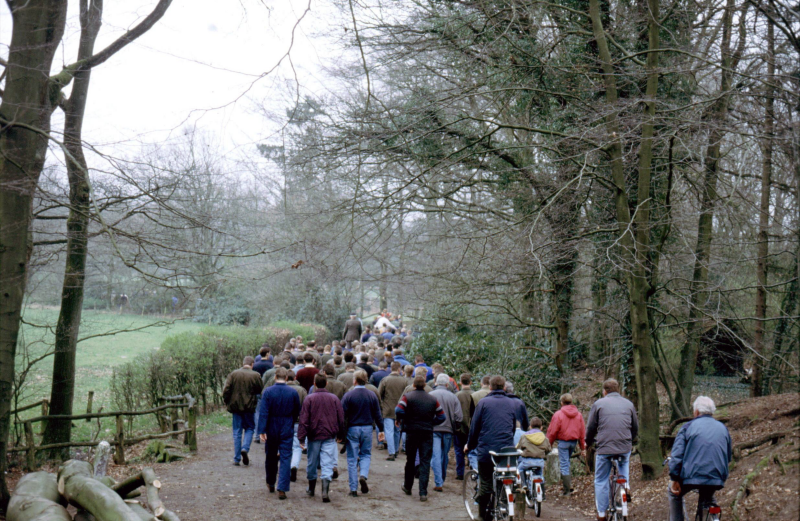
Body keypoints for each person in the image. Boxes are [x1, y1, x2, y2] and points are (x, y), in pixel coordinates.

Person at [465, 375, 529, 521]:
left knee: (486, 483)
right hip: (506, 450)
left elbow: (475, 428)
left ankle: (482, 516)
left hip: (487, 450)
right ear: (504, 387)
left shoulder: (483, 403)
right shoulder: (512, 403)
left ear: (490, 387)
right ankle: (504, 503)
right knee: (505, 476)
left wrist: (470, 445)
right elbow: (513, 427)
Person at [668, 396, 732, 521]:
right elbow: (728, 456)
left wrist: (674, 478)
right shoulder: (723, 428)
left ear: (696, 411)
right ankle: (713, 516)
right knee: (708, 496)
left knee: (673, 493)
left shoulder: (687, 427)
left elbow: (677, 456)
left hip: (693, 475)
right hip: (717, 476)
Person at [585, 378, 639, 521]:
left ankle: (602, 513)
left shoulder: (598, 404)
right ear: (618, 390)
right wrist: (630, 440)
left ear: (605, 391)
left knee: (601, 479)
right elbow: (635, 427)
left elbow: (591, 427)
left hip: (605, 447)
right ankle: (625, 484)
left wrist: (588, 442)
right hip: (624, 445)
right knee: (624, 462)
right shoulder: (629, 404)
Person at [396, 375, 446, 502]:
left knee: (410, 459)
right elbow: (442, 417)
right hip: (427, 432)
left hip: (412, 432)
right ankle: (423, 492)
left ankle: (408, 487)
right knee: (425, 462)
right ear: (425, 385)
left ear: (413, 385)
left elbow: (398, 410)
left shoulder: (407, 397)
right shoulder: (433, 399)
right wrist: (431, 422)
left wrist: (407, 419)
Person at [298, 373, 346, 503]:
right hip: (329, 435)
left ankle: (312, 489)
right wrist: (341, 434)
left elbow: (304, 419)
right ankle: (325, 492)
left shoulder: (309, 399)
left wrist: (301, 437)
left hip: (313, 436)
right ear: (326, 383)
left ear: (314, 384)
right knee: (327, 462)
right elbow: (341, 418)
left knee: (312, 462)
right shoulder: (334, 398)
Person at [257, 367, 301, 499]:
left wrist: (262, 430)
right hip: (287, 424)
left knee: (270, 454)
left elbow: (263, 412)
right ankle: (282, 487)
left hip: (272, 425)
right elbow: (297, 411)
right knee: (286, 456)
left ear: (275, 377)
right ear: (287, 378)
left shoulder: (268, 392)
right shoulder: (293, 392)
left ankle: (270, 482)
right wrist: (291, 421)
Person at [341, 370, 385, 496]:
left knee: (351, 458)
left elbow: (342, 415)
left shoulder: (348, 395)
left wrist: (340, 432)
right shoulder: (371, 395)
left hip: (352, 429)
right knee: (365, 454)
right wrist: (381, 429)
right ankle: (363, 475)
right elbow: (378, 414)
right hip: (367, 428)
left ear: (354, 380)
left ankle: (353, 488)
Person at [222, 356, 263, 467]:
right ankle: (245, 448)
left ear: (243, 363)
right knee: (250, 428)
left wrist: (227, 401)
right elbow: (260, 390)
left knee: (237, 431)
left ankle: (236, 458)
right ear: (252, 364)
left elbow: (226, 389)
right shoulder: (255, 375)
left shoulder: (233, 374)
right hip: (249, 407)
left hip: (236, 407)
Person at [546, 392, 586, 495]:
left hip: (563, 442)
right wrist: (582, 447)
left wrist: (548, 444)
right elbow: (582, 432)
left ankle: (567, 489)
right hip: (574, 442)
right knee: (566, 462)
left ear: (562, 402)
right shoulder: (579, 415)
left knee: (564, 464)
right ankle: (568, 485)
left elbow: (552, 431)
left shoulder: (558, 414)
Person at [430, 373, 463, 492]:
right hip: (448, 430)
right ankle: (441, 479)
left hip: (434, 429)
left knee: (436, 455)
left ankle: (438, 481)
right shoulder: (453, 397)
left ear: (436, 383)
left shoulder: (431, 395)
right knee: (444, 455)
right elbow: (459, 416)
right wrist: (456, 428)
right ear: (447, 384)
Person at [378, 361, 407, 461]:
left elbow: (379, 394)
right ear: (399, 369)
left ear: (391, 369)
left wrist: (382, 405)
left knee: (389, 431)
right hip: (400, 409)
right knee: (397, 431)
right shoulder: (404, 381)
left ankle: (391, 452)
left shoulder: (385, 380)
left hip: (387, 409)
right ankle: (395, 450)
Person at [516, 417, 551, 498]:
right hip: (539, 462)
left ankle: (524, 484)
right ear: (541, 427)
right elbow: (549, 449)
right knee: (540, 475)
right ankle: (543, 495)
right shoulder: (545, 438)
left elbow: (518, 447)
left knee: (519, 469)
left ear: (530, 426)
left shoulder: (524, 436)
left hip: (527, 462)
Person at [285, 371, 307, 483]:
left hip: (284, 421)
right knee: (298, 447)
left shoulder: (281, 389)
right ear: (295, 378)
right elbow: (306, 407)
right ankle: (294, 466)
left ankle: (286, 468)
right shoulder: (301, 390)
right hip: (298, 422)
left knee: (285, 446)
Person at [454, 373, 474, 479]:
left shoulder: (457, 395)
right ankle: (472, 471)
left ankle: (460, 473)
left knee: (459, 450)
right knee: (471, 450)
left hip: (459, 427)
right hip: (472, 428)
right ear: (470, 382)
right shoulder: (475, 395)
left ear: (460, 382)